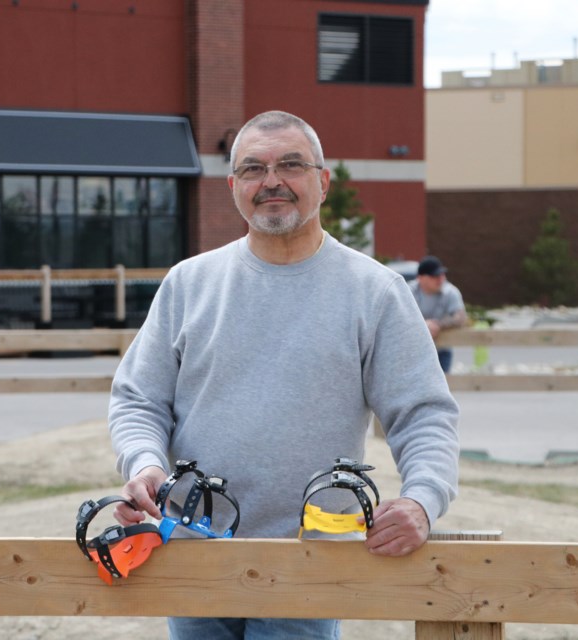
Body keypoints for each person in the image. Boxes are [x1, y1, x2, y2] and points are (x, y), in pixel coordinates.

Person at [108, 110, 459, 640]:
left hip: (312, 558)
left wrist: (422, 500)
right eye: (252, 169)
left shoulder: (376, 292)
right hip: (193, 547)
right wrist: (145, 462)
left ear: (322, 181)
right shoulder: (188, 284)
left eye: (290, 165)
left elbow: (424, 414)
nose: (271, 181)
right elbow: (139, 399)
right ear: (233, 187)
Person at [409, 255, 468, 373]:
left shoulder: (450, 292)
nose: (440, 279)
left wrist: (438, 324)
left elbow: (461, 318)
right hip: (413, 351)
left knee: (441, 389)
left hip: (441, 350)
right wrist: (423, 325)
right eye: (434, 276)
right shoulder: (408, 290)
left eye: (442, 274)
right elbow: (398, 317)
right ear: (421, 278)